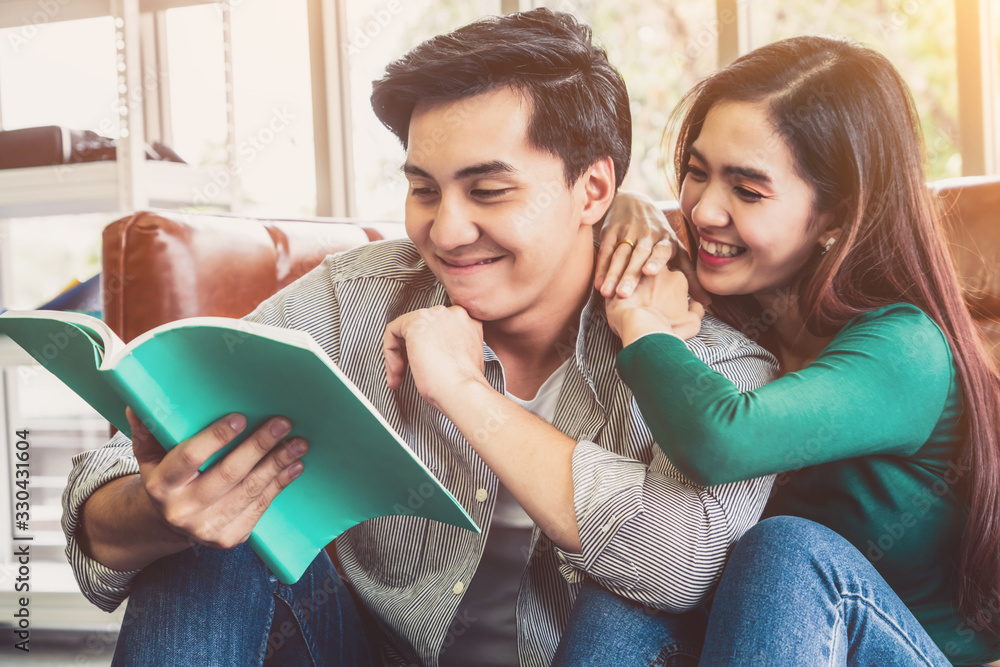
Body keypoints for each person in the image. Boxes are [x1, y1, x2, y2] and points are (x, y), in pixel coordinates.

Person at [62, 10, 778, 666]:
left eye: (488, 191)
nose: (446, 230)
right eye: (424, 189)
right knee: (211, 538)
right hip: (364, 650)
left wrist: (462, 390)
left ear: (594, 191)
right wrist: (158, 509)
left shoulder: (706, 358)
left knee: (623, 581)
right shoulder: (357, 298)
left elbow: (676, 566)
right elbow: (104, 480)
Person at [565, 35, 1000, 666]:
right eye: (696, 171)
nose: (705, 209)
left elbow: (721, 439)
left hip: (910, 652)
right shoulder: (738, 299)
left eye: (747, 189)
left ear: (834, 216)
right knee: (637, 580)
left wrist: (636, 320)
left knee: (787, 549)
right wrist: (634, 214)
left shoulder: (906, 348)